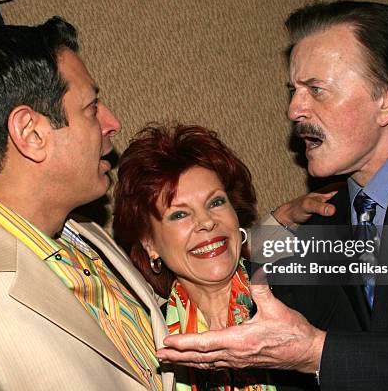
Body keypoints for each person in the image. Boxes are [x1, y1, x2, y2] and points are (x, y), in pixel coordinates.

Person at [156, 0, 388, 390]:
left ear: (387, 98)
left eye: (315, 90)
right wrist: (273, 225)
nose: (294, 109)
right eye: (293, 90)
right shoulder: (322, 222)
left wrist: (320, 355)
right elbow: (234, 269)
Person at [0, 17, 173, 390]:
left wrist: (270, 243)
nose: (112, 122)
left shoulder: (83, 231)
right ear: (31, 133)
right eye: (91, 107)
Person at [113, 124, 276, 390]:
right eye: (179, 214)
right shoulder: (147, 340)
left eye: (216, 202)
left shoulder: (298, 292)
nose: (206, 222)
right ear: (150, 244)